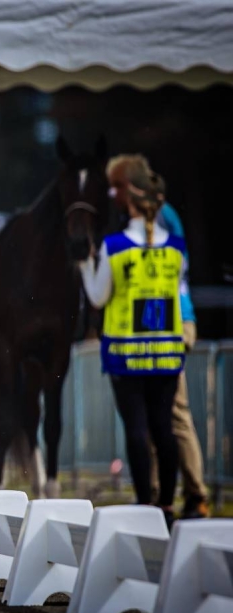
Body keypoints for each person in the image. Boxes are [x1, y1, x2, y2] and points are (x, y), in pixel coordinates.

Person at [81, 160, 183, 528]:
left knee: (137, 429)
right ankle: (169, 504)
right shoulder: (176, 247)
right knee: (164, 428)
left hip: (126, 354)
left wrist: (83, 266)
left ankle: (145, 503)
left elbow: (97, 295)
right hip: (167, 353)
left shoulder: (116, 246)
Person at [106, 155, 209, 519]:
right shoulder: (160, 215)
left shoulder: (152, 218)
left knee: (170, 417)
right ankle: (164, 497)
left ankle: (189, 495)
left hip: (167, 326)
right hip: (168, 325)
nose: (112, 194)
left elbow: (169, 276)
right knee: (162, 419)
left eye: (117, 187)